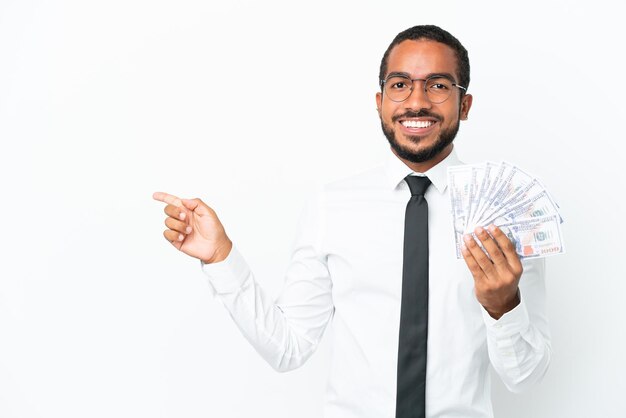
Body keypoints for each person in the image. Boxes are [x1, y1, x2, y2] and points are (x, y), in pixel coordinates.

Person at [153, 25, 550, 418]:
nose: (416, 102)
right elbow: (288, 348)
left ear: (464, 105)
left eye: (439, 85)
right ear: (379, 101)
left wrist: (504, 305)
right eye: (399, 85)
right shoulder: (332, 206)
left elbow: (526, 377)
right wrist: (222, 258)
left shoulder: (505, 215)